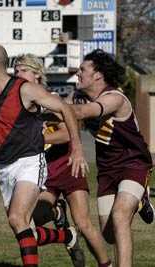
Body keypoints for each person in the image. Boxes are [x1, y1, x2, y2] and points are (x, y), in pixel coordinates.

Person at [0, 43, 88, 267]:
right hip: (5, 167)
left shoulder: (25, 89)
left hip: (30, 161)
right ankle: (67, 236)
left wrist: (76, 147)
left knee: (17, 218)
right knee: (25, 229)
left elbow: (66, 109)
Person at [13, 54, 111, 267]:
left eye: (22, 70)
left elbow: (67, 133)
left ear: (37, 75)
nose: (16, 75)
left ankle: (106, 264)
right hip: (44, 170)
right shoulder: (19, 102)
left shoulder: (51, 99)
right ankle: (65, 231)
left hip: (68, 166)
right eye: (15, 71)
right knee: (27, 226)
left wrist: (37, 138)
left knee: (84, 224)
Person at [70, 49, 153, 267]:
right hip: (107, 170)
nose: (77, 73)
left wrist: (48, 105)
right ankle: (140, 200)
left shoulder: (115, 98)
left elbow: (78, 113)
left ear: (98, 75)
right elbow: (63, 108)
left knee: (120, 216)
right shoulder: (78, 96)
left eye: (83, 69)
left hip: (133, 163)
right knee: (109, 234)